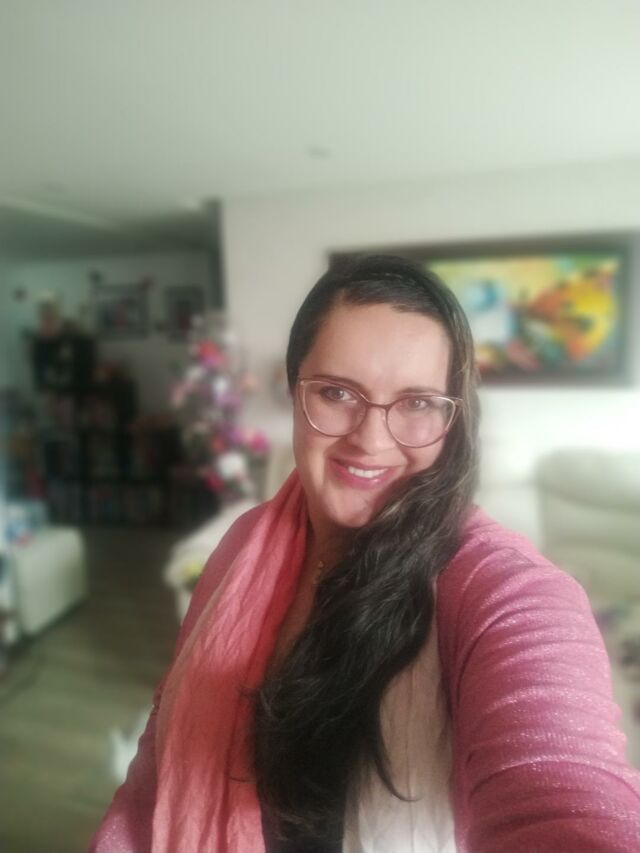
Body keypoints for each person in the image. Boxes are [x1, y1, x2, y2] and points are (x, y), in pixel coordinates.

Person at [90, 255, 640, 853]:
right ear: (293, 390)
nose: (371, 441)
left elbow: (561, 791)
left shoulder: (510, 592)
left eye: (418, 402)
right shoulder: (243, 543)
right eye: (336, 392)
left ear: (453, 417)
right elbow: (161, 751)